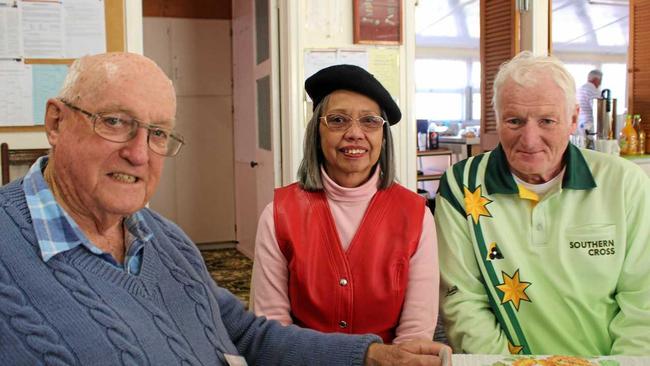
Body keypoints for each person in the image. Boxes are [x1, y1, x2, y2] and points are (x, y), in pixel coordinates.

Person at [0, 53, 451, 365]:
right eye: (116, 122)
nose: (140, 153)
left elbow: (248, 335)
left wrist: (369, 356)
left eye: (158, 133)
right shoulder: (10, 250)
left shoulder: (165, 240)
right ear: (56, 122)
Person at [435, 51, 650, 356]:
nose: (530, 139)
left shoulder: (625, 183)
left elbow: (643, 300)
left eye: (547, 121)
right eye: (514, 121)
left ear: (574, 119)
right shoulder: (462, 185)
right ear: (498, 119)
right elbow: (463, 301)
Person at [251, 64, 440, 345]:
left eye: (370, 121)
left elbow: (414, 335)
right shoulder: (278, 214)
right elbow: (273, 329)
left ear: (383, 138)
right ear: (317, 132)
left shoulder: (416, 216)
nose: (354, 133)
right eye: (338, 120)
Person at [576, 69, 603, 137]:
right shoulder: (593, 90)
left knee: (583, 145)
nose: (600, 84)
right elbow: (597, 108)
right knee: (591, 146)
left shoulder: (580, 89)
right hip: (590, 125)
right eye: (600, 81)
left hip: (580, 123)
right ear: (596, 80)